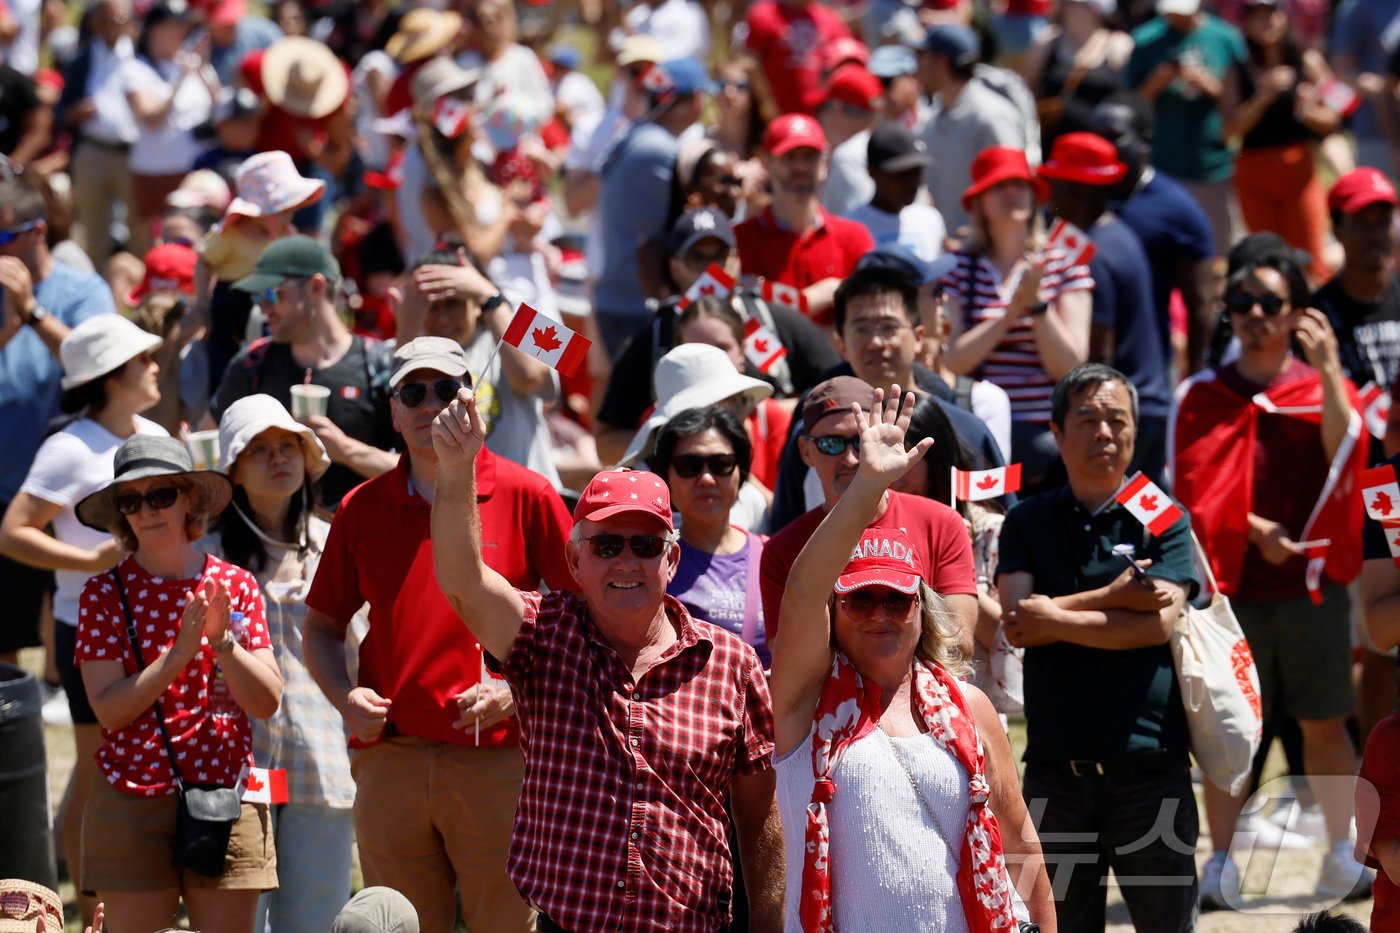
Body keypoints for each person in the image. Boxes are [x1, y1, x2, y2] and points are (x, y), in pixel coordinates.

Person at [428, 396, 784, 931]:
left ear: (670, 559)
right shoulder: (543, 631)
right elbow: (463, 580)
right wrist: (456, 470)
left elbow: (760, 821)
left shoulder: (731, 662)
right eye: (606, 543)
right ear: (575, 559)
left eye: (644, 543)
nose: (625, 560)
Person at [303, 337, 574, 933]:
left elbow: (582, 615)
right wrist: (344, 697)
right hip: (391, 758)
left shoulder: (529, 494)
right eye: (413, 392)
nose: (431, 405)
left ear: (473, 402)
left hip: (503, 759)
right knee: (396, 926)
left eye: (447, 389)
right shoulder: (360, 507)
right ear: (394, 412)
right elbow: (321, 625)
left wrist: (517, 689)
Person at [769, 385, 1055, 931]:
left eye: (898, 599)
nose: (881, 612)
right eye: (861, 598)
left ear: (922, 610)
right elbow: (803, 591)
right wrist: (867, 488)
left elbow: (1020, 843)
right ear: (834, 612)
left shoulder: (968, 706)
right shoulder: (803, 702)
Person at [1171, 235, 1372, 906]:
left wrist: (1331, 365)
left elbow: (1348, 453)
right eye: (1242, 301)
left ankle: (1342, 857)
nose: (1256, 313)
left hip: (1311, 589)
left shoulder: (1319, 386)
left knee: (1325, 721)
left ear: (1295, 311)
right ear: (1227, 309)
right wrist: (1255, 531)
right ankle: (1221, 865)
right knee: (1230, 733)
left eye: (1270, 301)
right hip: (1231, 594)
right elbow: (1188, 492)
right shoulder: (1201, 393)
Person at [998, 362, 1198, 930]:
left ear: (1136, 430)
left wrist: (1054, 613)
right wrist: (1113, 599)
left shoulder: (1162, 516)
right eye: (1087, 420)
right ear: (1057, 433)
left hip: (1150, 771)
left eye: (1117, 420)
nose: (1104, 433)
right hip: (1057, 775)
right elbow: (1017, 625)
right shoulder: (1029, 520)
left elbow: (1157, 623)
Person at [73, 434, 282, 933]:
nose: (147, 510)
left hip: (227, 797)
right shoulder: (103, 594)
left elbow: (267, 701)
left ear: (189, 499)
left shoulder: (236, 585)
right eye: (131, 500)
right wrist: (179, 655)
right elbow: (109, 711)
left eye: (161, 494)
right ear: (121, 513)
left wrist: (223, 642)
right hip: (131, 799)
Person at [0, 315, 164, 927]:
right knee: (99, 773)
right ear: (110, 375)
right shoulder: (68, 448)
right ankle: (90, 910)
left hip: (149, 624)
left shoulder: (150, 431)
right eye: (141, 359)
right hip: (88, 629)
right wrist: (87, 559)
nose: (154, 365)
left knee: (121, 766)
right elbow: (13, 532)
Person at [207, 395, 354, 933]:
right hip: (240, 768)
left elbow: (358, 652)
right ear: (233, 470)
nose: (278, 458)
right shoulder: (207, 555)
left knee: (319, 918)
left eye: (288, 445)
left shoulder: (335, 543)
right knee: (243, 921)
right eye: (260, 449)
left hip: (323, 758)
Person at [596, 207, 840, 464]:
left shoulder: (776, 321)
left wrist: (766, 415)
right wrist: (671, 437)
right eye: (697, 258)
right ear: (675, 268)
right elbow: (605, 444)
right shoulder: (651, 340)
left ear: (736, 261)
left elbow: (839, 392)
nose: (710, 270)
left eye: (721, 257)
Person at [762, 375, 978, 649]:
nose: (851, 458)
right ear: (806, 451)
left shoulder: (941, 522)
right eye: (831, 444)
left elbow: (958, 644)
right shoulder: (782, 549)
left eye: (861, 441)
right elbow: (788, 657)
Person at [0, 169, 116, 667]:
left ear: (37, 231)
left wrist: (30, 312)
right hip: (7, 488)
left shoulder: (82, 289)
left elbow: (102, 367)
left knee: (71, 619)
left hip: (70, 492)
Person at [939, 145, 1093, 485]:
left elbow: (1070, 365)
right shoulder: (959, 269)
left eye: (1020, 185)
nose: (1011, 193)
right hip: (982, 429)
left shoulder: (1064, 264)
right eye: (999, 185)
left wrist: (1036, 306)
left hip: (1050, 433)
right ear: (980, 201)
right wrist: (1010, 314)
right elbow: (953, 359)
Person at [211, 236, 399, 510]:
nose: (263, 309)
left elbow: (421, 471)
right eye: (258, 298)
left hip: (368, 541)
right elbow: (212, 444)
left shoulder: (379, 364)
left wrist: (345, 450)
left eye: (272, 294)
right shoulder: (251, 365)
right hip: (274, 546)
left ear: (315, 287)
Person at [1040, 132, 1173, 484]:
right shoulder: (1117, 234)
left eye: (1056, 185)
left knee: (1132, 510)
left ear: (1078, 191)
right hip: (1145, 404)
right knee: (1139, 509)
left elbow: (1099, 356)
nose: (1049, 196)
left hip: (1125, 409)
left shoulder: (1092, 255)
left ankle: (1179, 539)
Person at [400, 240, 561, 487]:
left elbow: (529, 376)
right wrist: (406, 326)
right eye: (432, 305)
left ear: (476, 303)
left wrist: (491, 297)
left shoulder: (508, 328)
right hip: (457, 509)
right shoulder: (411, 347)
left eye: (454, 302)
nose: (443, 317)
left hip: (529, 501)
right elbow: (394, 415)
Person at [1089, 91, 1218, 375]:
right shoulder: (1078, 197)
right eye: (1096, 137)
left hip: (1148, 371)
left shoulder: (1176, 209)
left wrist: (1194, 377)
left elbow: (1200, 304)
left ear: (1145, 140)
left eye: (1114, 136)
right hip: (1076, 365)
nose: (1103, 146)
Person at [595, 57, 712, 355]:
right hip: (637, 303)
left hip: (620, 296)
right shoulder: (661, 150)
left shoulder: (641, 137)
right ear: (692, 102)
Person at [1222, 0, 1339, 283]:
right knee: (1268, 259)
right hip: (1255, 174)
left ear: (1284, 18)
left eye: (1271, 14)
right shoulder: (1238, 69)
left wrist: (1309, 111)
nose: (1266, 23)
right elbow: (1229, 131)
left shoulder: (1308, 61)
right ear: (1246, 24)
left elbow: (1337, 115)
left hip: (1299, 173)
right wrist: (1263, 97)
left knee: (1310, 260)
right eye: (1256, 16)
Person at [1127, 0, 1247, 256]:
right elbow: (1131, 104)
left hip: (1211, 165)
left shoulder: (1226, 38)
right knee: (1164, 252)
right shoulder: (1145, 38)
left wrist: (1211, 86)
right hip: (1162, 164)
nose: (1174, 16)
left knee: (1216, 253)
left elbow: (1239, 105)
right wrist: (1158, 81)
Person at [733, 113, 875, 326]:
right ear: (767, 163)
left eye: (809, 156)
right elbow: (740, 318)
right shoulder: (740, 240)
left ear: (825, 162)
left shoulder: (854, 237)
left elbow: (872, 315)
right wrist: (815, 299)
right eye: (790, 157)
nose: (800, 167)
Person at [652, 405, 769, 663]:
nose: (706, 478)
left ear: (742, 471)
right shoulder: (648, 554)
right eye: (688, 465)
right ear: (665, 475)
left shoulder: (773, 557)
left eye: (721, 464)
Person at [123, 2, 217, 257]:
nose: (182, 31)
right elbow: (151, 118)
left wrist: (203, 70)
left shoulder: (193, 62)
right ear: (155, 30)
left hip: (196, 171)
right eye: (175, 26)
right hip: (156, 174)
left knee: (197, 240)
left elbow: (219, 108)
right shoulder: (136, 69)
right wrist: (180, 79)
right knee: (154, 247)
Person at [918, 25, 1026, 234]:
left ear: (941, 63)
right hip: (947, 253)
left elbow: (1014, 191)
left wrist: (981, 237)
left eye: (922, 56)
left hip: (986, 254)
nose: (918, 65)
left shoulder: (992, 116)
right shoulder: (933, 118)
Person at [56, 0, 140, 262]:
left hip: (134, 153)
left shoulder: (140, 54)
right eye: (104, 21)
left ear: (129, 22)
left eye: (117, 21)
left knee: (140, 227)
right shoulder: (80, 60)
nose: (110, 28)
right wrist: (76, 112)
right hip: (92, 150)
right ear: (93, 23)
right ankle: (101, 288)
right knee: (94, 229)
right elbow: (60, 113)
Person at [1020, 0, 1133, 153]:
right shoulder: (1047, 41)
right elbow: (1026, 89)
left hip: (1098, 147)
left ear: (1094, 9)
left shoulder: (1119, 44)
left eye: (1075, 3)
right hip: (1051, 143)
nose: (1067, 7)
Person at [844, 121, 948, 264]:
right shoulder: (848, 229)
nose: (912, 183)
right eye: (901, 175)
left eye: (916, 172)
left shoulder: (931, 220)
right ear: (872, 171)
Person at [740, 0, 853, 115]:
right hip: (776, 113)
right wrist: (765, 104)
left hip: (822, 116)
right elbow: (749, 64)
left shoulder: (830, 18)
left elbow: (848, 64)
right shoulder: (764, 14)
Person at [817, 64, 882, 217]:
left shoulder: (847, 157)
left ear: (838, 108)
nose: (820, 116)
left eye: (823, 107)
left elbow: (861, 225)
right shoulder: (894, 145)